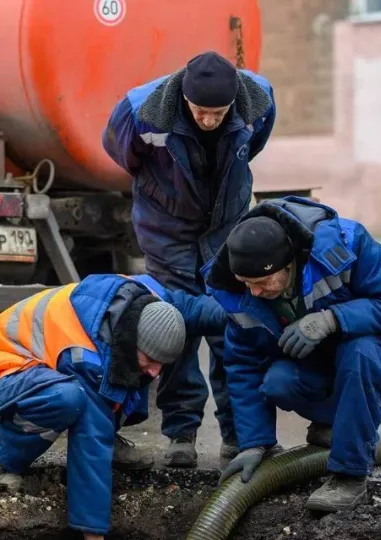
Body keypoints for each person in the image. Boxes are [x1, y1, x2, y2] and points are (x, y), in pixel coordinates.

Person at [206, 196, 381, 512]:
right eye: (247, 284)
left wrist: (332, 318)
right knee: (279, 382)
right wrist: (254, 442)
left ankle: (349, 476)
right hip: (325, 348)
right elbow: (243, 365)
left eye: (262, 282)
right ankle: (343, 422)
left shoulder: (345, 243)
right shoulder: (240, 292)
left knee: (360, 354)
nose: (254, 292)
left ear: (289, 264)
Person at [102, 50, 276, 468]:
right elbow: (119, 153)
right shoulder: (140, 110)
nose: (210, 121)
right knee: (174, 328)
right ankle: (181, 433)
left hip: (226, 226)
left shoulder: (260, 100)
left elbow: (254, 144)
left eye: (219, 113)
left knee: (234, 323)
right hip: (167, 230)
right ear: (184, 96)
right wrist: (166, 193)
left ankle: (239, 436)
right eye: (201, 112)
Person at [0, 273, 226, 540]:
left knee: (127, 373)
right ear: (131, 339)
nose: (157, 372)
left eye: (162, 363)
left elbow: (192, 307)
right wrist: (93, 534)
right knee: (70, 399)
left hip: (38, 365)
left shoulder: (150, 301)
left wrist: (247, 311)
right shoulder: (85, 356)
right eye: (151, 358)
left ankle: (110, 433)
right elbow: (91, 443)